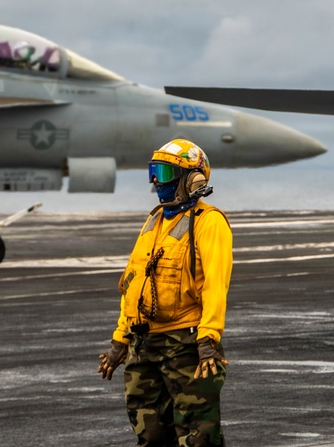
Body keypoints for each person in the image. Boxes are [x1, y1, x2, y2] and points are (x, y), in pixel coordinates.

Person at [98, 139, 233, 446]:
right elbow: (133, 283)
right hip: (143, 345)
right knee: (151, 435)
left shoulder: (209, 222)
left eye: (165, 173)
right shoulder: (154, 220)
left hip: (185, 345)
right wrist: (120, 340)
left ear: (192, 179)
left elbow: (215, 285)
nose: (157, 181)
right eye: (154, 172)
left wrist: (208, 339)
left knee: (198, 435)